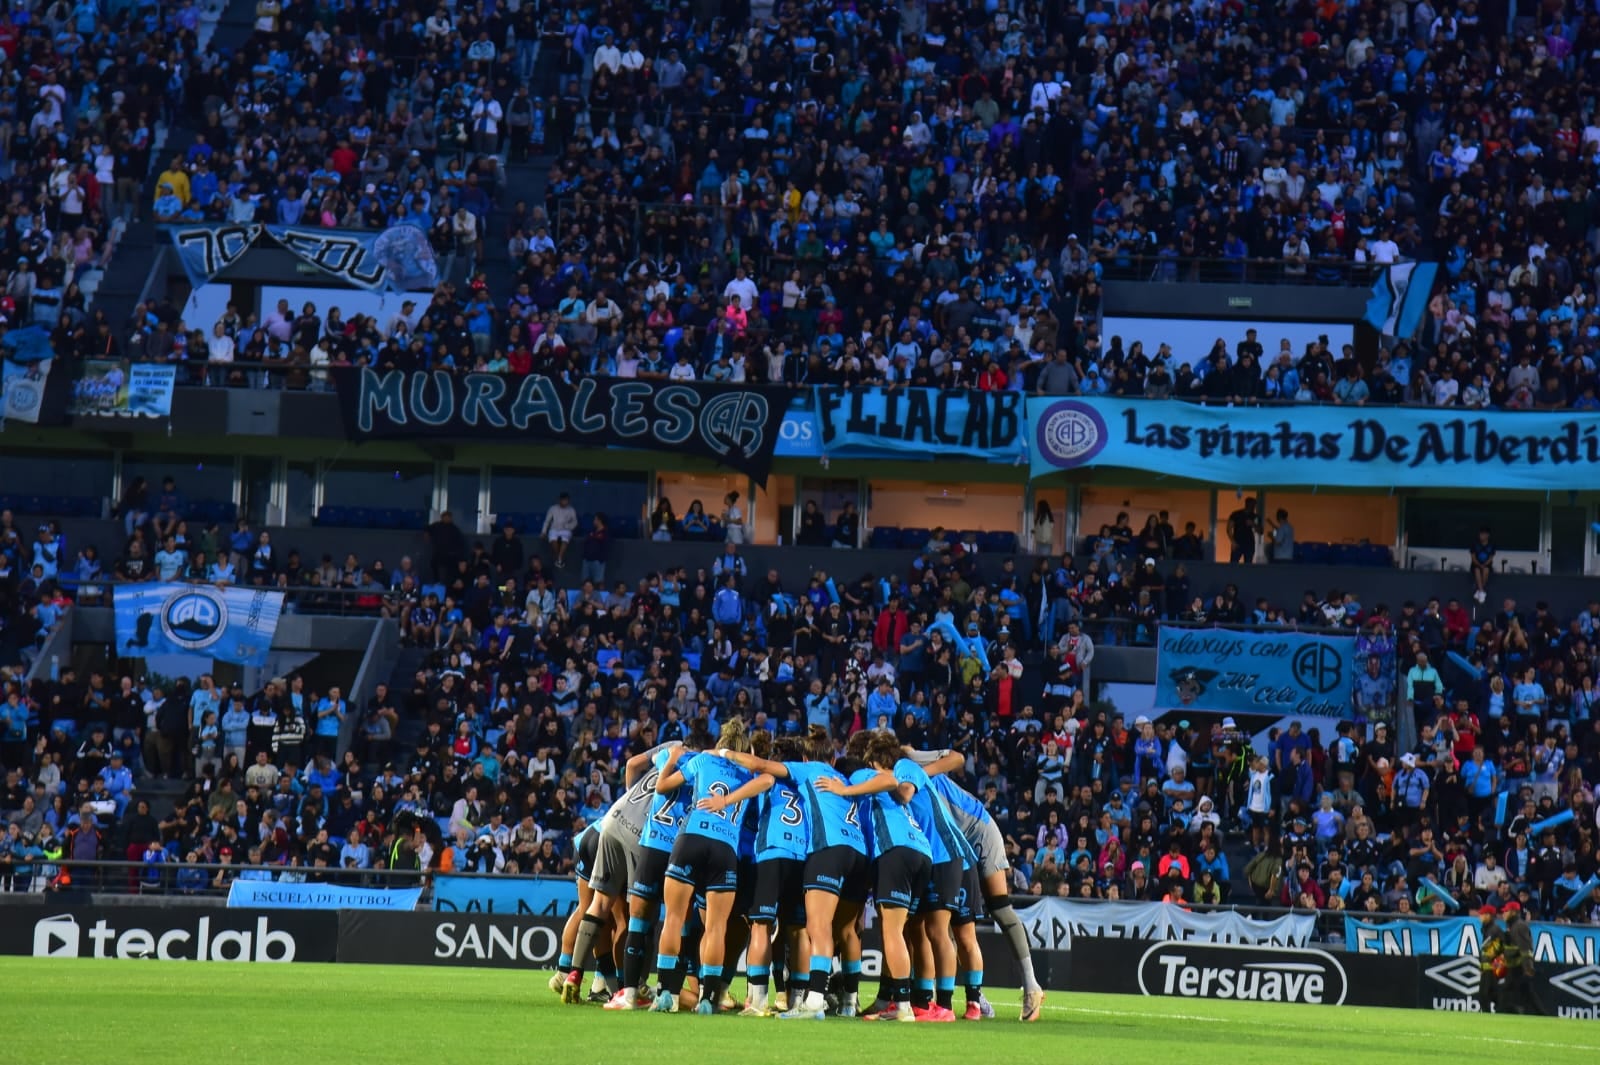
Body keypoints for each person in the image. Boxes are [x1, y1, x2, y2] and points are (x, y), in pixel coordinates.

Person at [648, 719, 756, 1014]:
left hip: (691, 838)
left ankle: (666, 993)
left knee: (672, 918)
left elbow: (662, 786)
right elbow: (769, 780)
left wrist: (671, 758)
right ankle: (708, 999)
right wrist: (730, 800)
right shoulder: (749, 772)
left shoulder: (702, 759)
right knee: (717, 928)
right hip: (725, 848)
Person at [542, 493, 579, 569]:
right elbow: (547, 521)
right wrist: (543, 532)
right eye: (564, 500)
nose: (565, 502)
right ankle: (559, 557)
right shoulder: (552, 508)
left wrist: (569, 526)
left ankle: (559, 559)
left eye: (567, 501)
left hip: (566, 529)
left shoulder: (571, 510)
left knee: (565, 540)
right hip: (554, 528)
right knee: (553, 540)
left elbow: (575, 522)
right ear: (560, 500)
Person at [1226, 497, 1260, 564]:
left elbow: (1261, 531)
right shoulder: (1236, 514)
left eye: (1254, 505)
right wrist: (1233, 541)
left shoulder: (1255, 517)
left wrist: (1253, 524)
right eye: (1252, 505)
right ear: (1247, 504)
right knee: (1233, 564)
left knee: (1248, 565)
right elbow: (1229, 528)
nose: (1253, 507)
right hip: (1237, 543)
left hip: (1249, 544)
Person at [1470, 528, 1495, 605]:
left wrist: (1484, 564)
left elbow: (1491, 558)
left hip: (1487, 565)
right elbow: (1473, 558)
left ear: (1487, 535)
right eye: (1480, 534)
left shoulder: (1491, 545)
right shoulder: (1474, 544)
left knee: (1486, 570)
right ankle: (1481, 591)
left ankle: (1480, 590)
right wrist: (1479, 564)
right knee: (1477, 570)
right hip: (1476, 565)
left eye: (1483, 534)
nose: (1481, 536)